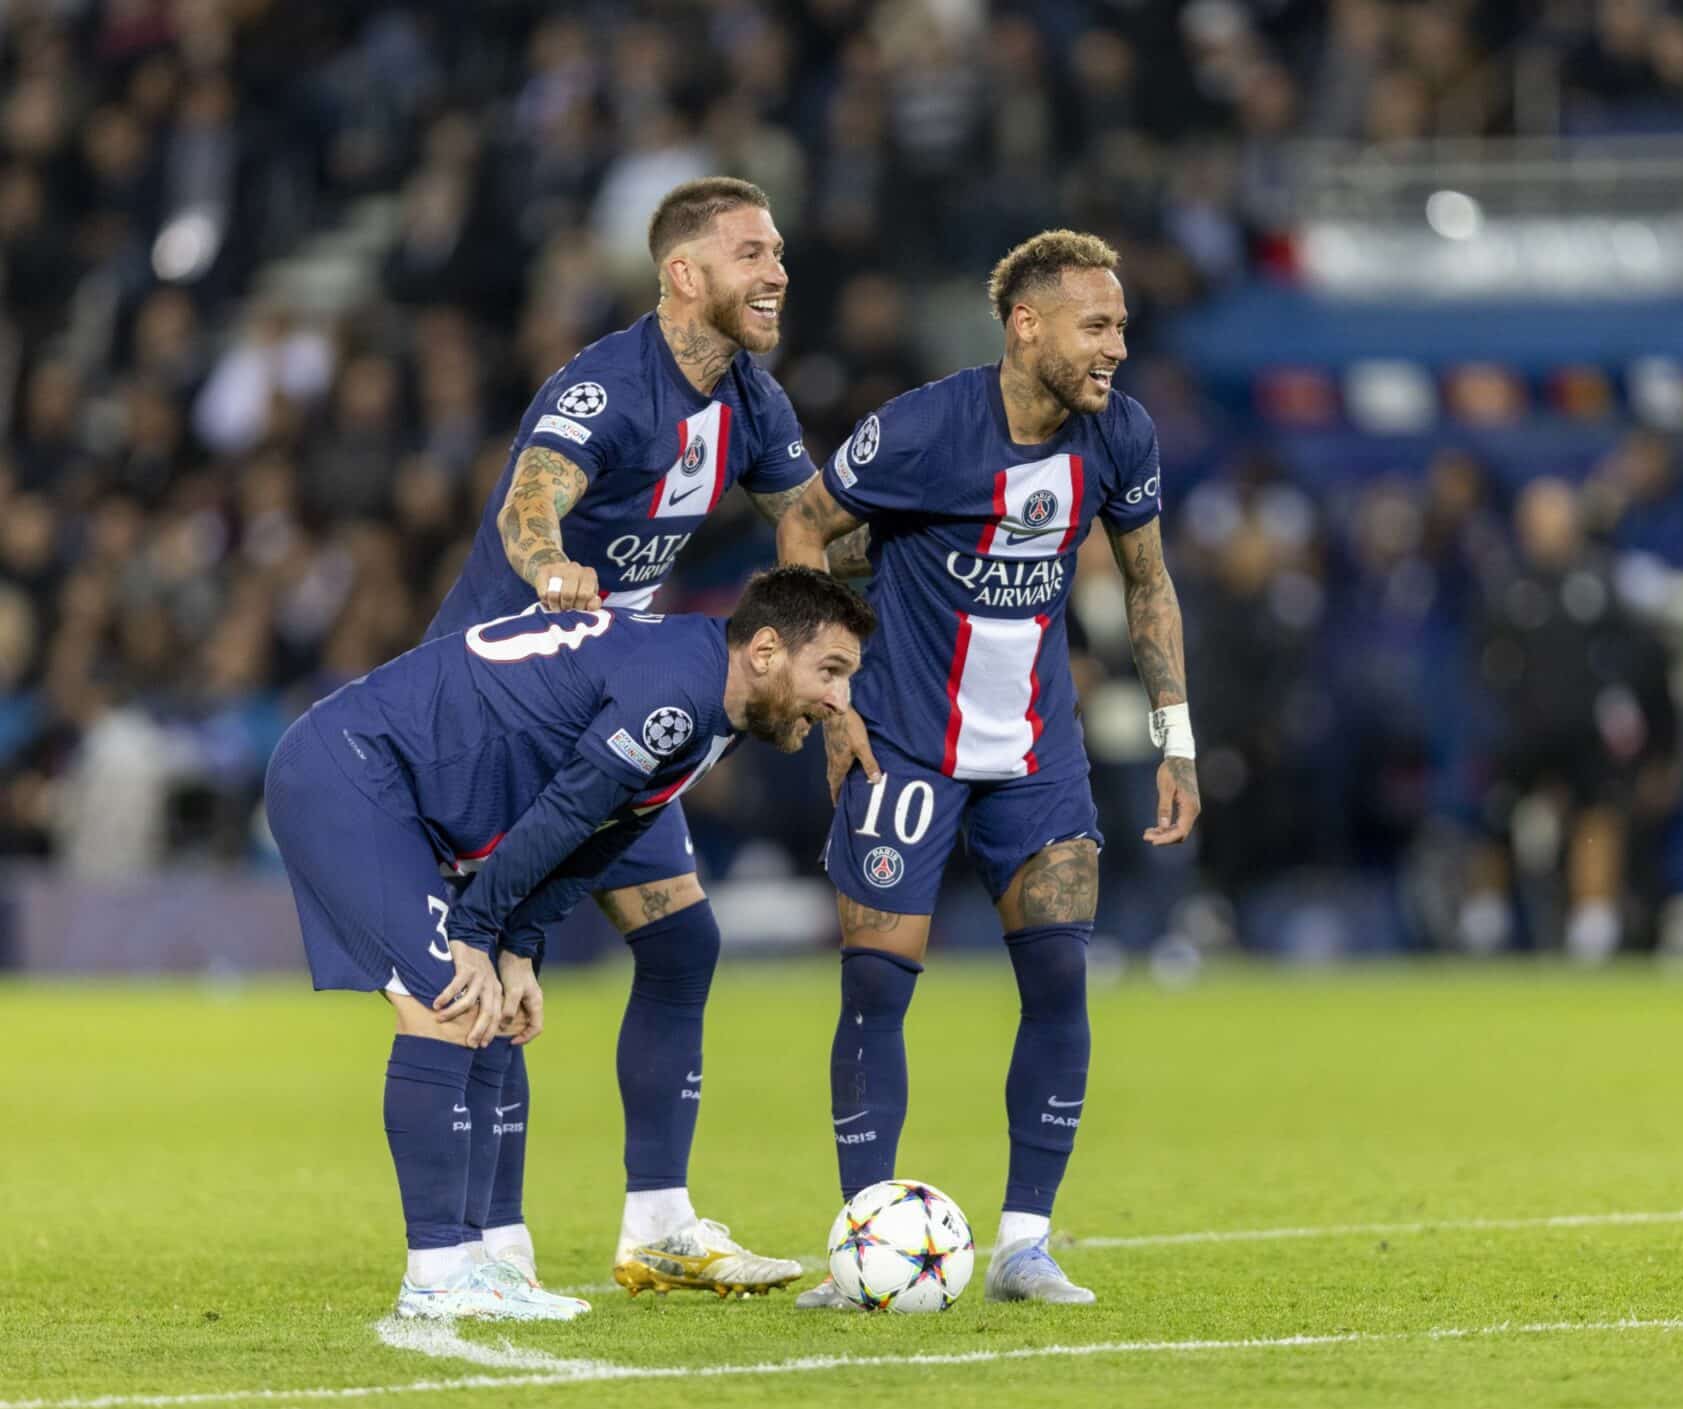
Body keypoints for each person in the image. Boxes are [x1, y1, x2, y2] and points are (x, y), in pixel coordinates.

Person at [420, 177, 872, 1299]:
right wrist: (551, 567)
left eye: (778, 251)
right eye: (750, 253)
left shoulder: (752, 399)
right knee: (498, 948)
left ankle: (658, 1225)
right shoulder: (608, 385)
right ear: (683, 275)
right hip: (506, 703)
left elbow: (809, 526)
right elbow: (531, 498)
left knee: (679, 945)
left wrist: (933, 530)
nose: (776, 271)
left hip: (618, 702)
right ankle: (490, 1247)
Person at [265, 567, 876, 1320]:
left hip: (397, 787)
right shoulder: (675, 696)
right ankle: (434, 1274)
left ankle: (477, 1262)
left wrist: (517, 943)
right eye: (832, 671)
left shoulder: (713, 703)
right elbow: (560, 814)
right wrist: (475, 932)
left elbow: (606, 835)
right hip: (350, 771)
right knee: (450, 1004)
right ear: (766, 650)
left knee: (486, 1014)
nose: (839, 699)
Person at [776, 229, 1199, 1307]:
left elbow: (1147, 586)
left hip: (1036, 755)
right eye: (1094, 326)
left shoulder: (1120, 436)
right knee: (874, 985)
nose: (1114, 348)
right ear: (1026, 326)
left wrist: (1173, 736)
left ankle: (1024, 1245)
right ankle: (863, 1241)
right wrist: (827, 696)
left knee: (1058, 977)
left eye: (1120, 328)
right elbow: (802, 526)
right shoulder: (921, 429)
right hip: (907, 744)